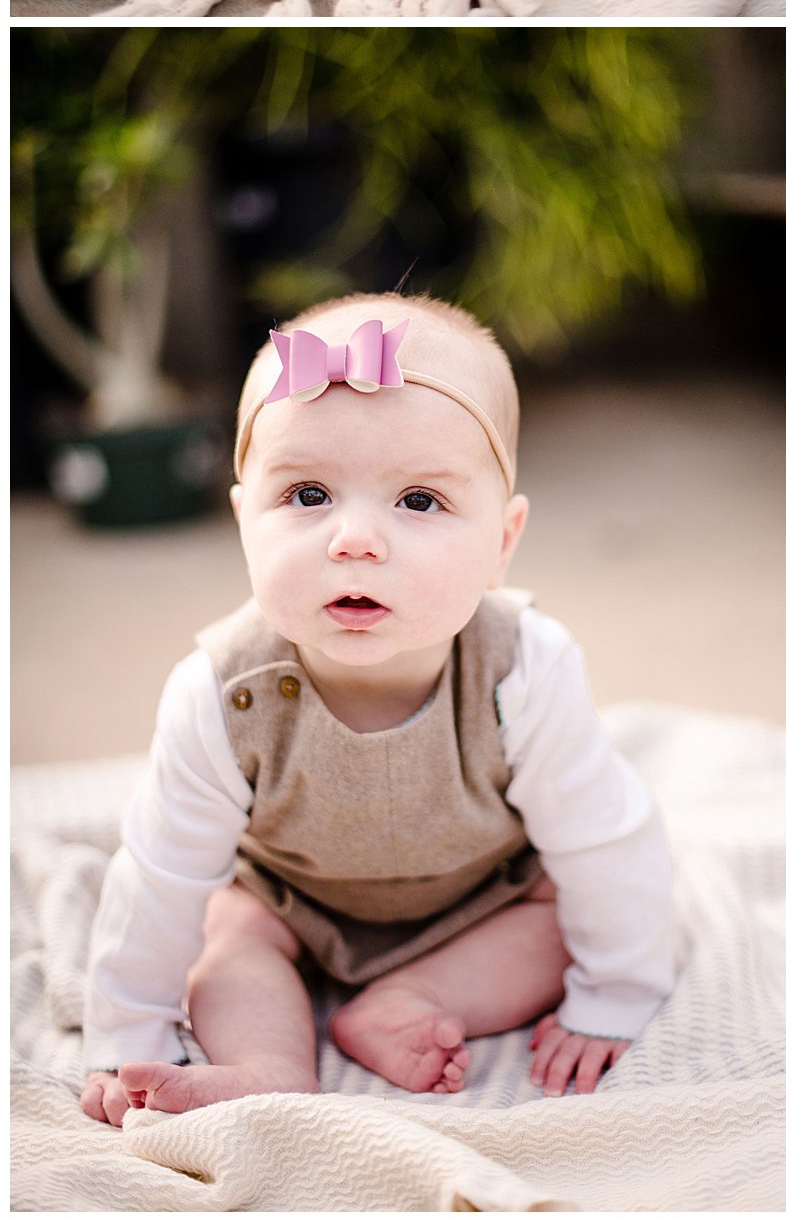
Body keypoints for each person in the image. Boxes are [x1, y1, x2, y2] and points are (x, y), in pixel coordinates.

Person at [79, 294, 674, 1121]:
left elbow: (603, 837)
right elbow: (161, 873)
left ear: (503, 542)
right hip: (289, 900)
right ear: (244, 515)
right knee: (226, 937)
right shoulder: (223, 692)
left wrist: (617, 990)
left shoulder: (524, 668)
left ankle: (412, 997)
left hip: (483, 901)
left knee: (569, 924)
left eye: (419, 501)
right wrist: (128, 1028)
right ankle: (268, 1064)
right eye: (310, 493)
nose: (355, 539)